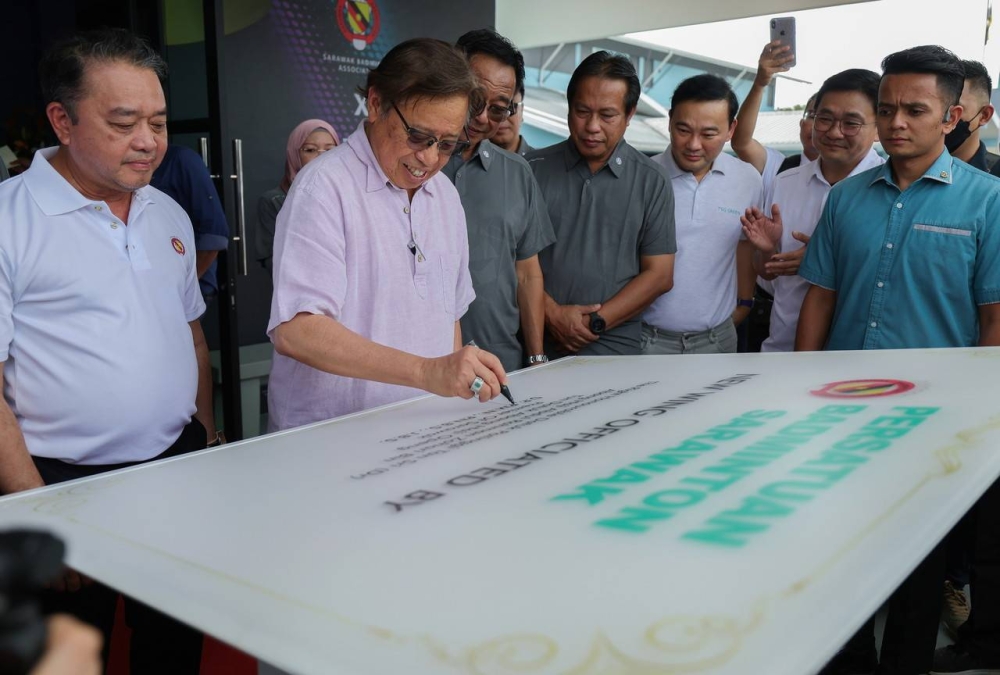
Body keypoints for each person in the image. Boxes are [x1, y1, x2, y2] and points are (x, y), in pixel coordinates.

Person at [0, 28, 217, 672]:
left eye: (156, 120)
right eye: (123, 122)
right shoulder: (10, 221)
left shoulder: (167, 213)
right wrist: (35, 505)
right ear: (61, 121)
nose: (148, 141)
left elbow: (193, 333)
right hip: (59, 482)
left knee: (175, 647)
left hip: (172, 470)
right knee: (68, 655)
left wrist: (203, 435)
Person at [796, 45, 1000, 675]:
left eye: (915, 109)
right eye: (887, 109)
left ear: (953, 116)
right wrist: (795, 396)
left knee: (920, 571)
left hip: (936, 423)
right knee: (836, 558)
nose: (896, 124)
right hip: (841, 416)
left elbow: (994, 321)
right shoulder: (847, 199)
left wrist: (980, 424)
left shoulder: (988, 202)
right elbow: (819, 302)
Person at [267, 38, 508, 431]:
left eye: (447, 145)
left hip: (424, 431)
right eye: (417, 136)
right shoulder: (324, 187)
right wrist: (427, 372)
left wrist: (450, 395)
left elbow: (449, 319)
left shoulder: (445, 196)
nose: (429, 158)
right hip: (331, 441)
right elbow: (298, 331)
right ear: (376, 104)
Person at [527, 51, 675, 357]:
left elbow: (659, 275)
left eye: (607, 115)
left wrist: (595, 322)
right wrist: (552, 313)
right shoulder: (530, 169)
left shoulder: (652, 181)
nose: (592, 126)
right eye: (582, 112)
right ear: (569, 109)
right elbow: (509, 261)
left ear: (630, 113)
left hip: (612, 347)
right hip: (533, 341)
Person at [741, 68, 883, 353]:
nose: (833, 132)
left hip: (857, 357)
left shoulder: (892, 188)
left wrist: (824, 261)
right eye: (825, 119)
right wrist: (767, 250)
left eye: (851, 123)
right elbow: (766, 274)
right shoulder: (786, 182)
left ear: (879, 127)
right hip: (783, 349)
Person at [442, 29, 554, 372]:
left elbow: (527, 275)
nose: (481, 118)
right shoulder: (413, 165)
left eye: (498, 110)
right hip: (420, 364)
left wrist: (536, 359)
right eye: (475, 100)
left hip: (499, 362)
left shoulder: (517, 172)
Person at [641, 74, 761, 354]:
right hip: (646, 340)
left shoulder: (747, 179)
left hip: (717, 341)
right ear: (669, 121)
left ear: (731, 129)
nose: (694, 145)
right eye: (683, 130)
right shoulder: (643, 177)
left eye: (708, 134)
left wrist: (744, 304)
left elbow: (742, 246)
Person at [732, 41, 819, 206]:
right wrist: (760, 84)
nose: (816, 125)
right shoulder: (778, 167)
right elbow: (741, 143)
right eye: (812, 115)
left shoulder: (855, 180)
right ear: (800, 124)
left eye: (825, 118)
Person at [256, 119, 339, 270]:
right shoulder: (274, 201)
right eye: (310, 150)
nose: (321, 157)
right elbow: (274, 263)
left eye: (330, 150)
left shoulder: (348, 200)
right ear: (294, 155)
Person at [150, 143, 230, 297]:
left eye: (157, 125)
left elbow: (214, 234)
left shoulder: (181, 160)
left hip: (183, 287)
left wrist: (186, 286)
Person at [945, 59, 995, 171]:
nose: (945, 118)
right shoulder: (904, 169)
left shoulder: (995, 178)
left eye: (955, 110)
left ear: (984, 115)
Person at [494, 82, 532, 156]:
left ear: (521, 110)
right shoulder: (467, 161)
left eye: (510, 107)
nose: (503, 117)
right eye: (495, 108)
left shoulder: (540, 164)